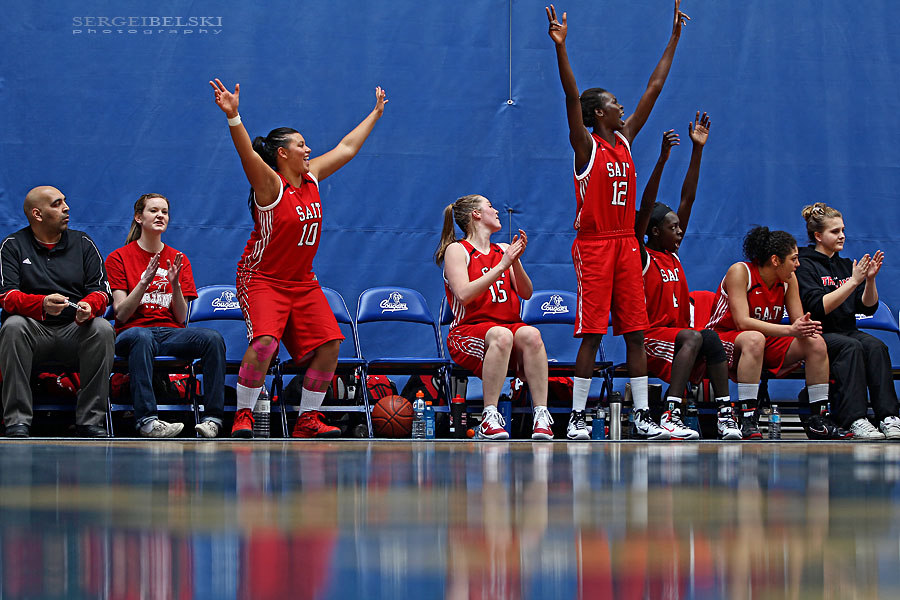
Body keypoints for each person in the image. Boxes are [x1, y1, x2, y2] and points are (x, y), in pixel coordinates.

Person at [210, 78, 387, 438]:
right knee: (265, 343)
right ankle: (244, 414)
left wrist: (376, 113)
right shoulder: (270, 185)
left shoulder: (313, 178)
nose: (308, 150)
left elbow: (347, 148)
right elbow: (246, 153)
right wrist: (233, 116)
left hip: (302, 281)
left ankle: (307, 419)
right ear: (282, 154)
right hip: (262, 278)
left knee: (330, 345)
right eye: (301, 145)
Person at [546, 1, 689, 440]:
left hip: (628, 243)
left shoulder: (625, 141)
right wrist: (561, 48)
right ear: (597, 115)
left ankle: (644, 416)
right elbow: (572, 96)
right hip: (594, 244)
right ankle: (577, 418)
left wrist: (674, 38)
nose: (621, 105)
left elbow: (655, 86)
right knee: (591, 334)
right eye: (612, 103)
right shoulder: (586, 147)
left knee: (635, 332)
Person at [634, 113, 741, 440]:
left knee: (709, 337)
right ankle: (670, 413)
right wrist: (663, 161)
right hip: (651, 341)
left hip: (679, 339)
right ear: (653, 231)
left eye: (680, 226)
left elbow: (688, 198)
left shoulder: (673, 256)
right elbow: (645, 207)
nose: (680, 231)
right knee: (694, 337)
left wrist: (697, 150)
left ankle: (725, 414)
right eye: (673, 227)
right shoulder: (641, 254)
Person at [105, 193, 226, 438]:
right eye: (153, 211)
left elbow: (181, 318)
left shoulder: (178, 259)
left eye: (165, 211)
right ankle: (148, 421)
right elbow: (122, 314)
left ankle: (213, 419)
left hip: (170, 332)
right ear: (139, 217)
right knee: (142, 336)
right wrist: (144, 282)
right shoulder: (118, 258)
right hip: (132, 333)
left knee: (212, 338)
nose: (160, 215)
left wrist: (175, 285)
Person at [436, 194, 553, 440]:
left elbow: (526, 292)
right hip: (467, 332)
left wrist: (515, 262)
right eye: (490, 206)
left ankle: (541, 415)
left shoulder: (502, 249)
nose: (496, 211)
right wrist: (503, 265)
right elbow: (464, 295)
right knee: (501, 335)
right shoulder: (457, 250)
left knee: (532, 334)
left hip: (506, 329)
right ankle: (490, 416)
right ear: (476, 214)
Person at [0, 186, 114, 438]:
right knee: (13, 326)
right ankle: (17, 420)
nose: (66, 208)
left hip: (75, 329)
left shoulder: (83, 243)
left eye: (65, 201)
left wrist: (89, 306)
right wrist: (41, 304)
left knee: (103, 329)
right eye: (57, 203)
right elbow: (6, 297)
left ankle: (90, 421)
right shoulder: (12, 246)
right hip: (33, 331)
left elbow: (102, 291)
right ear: (37, 214)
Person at [707, 227, 833, 439]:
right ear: (776, 260)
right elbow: (742, 323)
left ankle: (818, 418)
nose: (798, 264)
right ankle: (747, 417)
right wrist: (791, 330)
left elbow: (798, 322)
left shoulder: (789, 279)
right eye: (794, 259)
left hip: (762, 341)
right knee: (754, 338)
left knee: (815, 342)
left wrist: (806, 327)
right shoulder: (740, 271)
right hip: (724, 339)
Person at [796, 203, 898, 440]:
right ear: (818, 236)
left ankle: (888, 417)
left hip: (847, 329)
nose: (842, 235)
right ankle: (854, 419)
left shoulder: (845, 265)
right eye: (835, 231)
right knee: (850, 347)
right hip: (819, 334)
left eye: (843, 229)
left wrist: (869, 281)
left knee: (876, 346)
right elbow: (817, 307)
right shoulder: (804, 264)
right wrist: (852, 283)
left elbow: (867, 307)